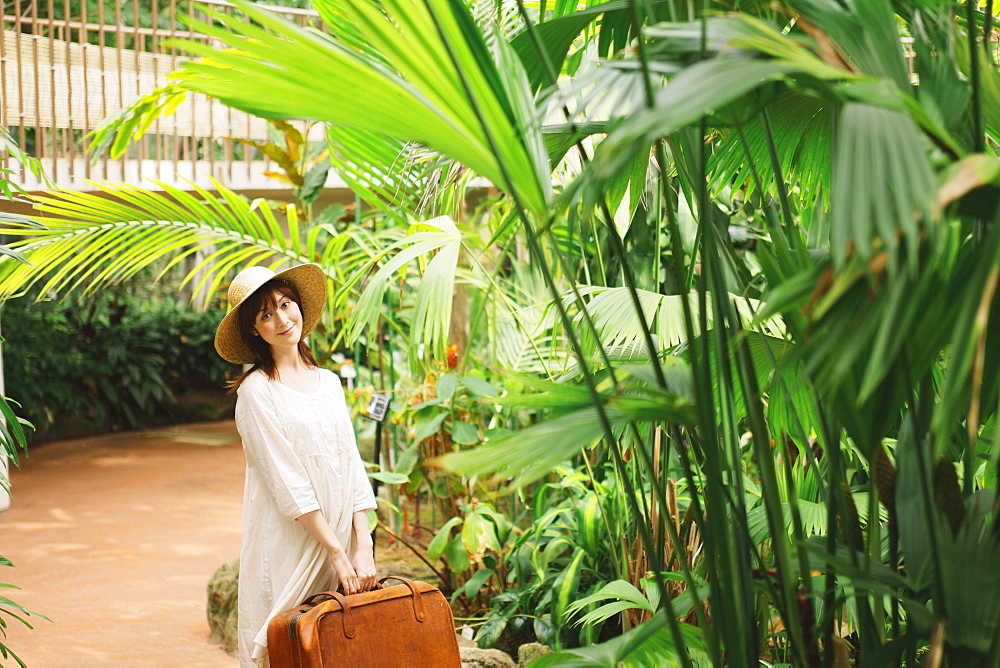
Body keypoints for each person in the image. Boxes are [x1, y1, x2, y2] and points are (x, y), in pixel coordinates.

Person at [214, 263, 377, 667]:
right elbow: (287, 483)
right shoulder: (256, 393)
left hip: (339, 537)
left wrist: (363, 544)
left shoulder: (330, 382)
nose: (282, 320)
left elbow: (350, 462)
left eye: (286, 305)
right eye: (266, 315)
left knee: (339, 647)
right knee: (284, 646)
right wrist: (335, 552)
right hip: (290, 543)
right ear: (254, 330)